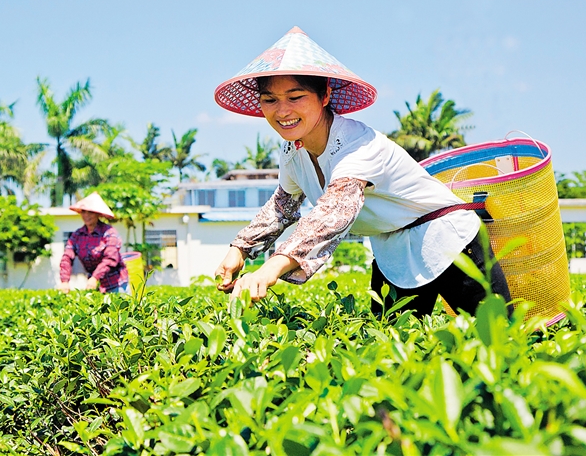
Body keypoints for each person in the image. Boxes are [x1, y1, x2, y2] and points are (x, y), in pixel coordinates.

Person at [212, 27, 512, 318]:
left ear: (324, 96)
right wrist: (239, 250)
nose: (282, 111)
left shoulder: (357, 145)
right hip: (392, 250)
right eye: (270, 100)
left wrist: (271, 268)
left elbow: (334, 213)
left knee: (501, 336)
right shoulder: (293, 150)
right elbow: (281, 207)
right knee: (392, 345)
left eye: (295, 97)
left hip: (448, 240)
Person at [59, 192, 130, 294]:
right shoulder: (77, 235)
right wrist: (64, 281)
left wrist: (95, 277)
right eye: (83, 211)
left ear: (98, 214)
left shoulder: (109, 233)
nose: (86, 215)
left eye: (90, 212)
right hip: (95, 286)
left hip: (116, 285)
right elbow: (67, 257)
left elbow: (111, 258)